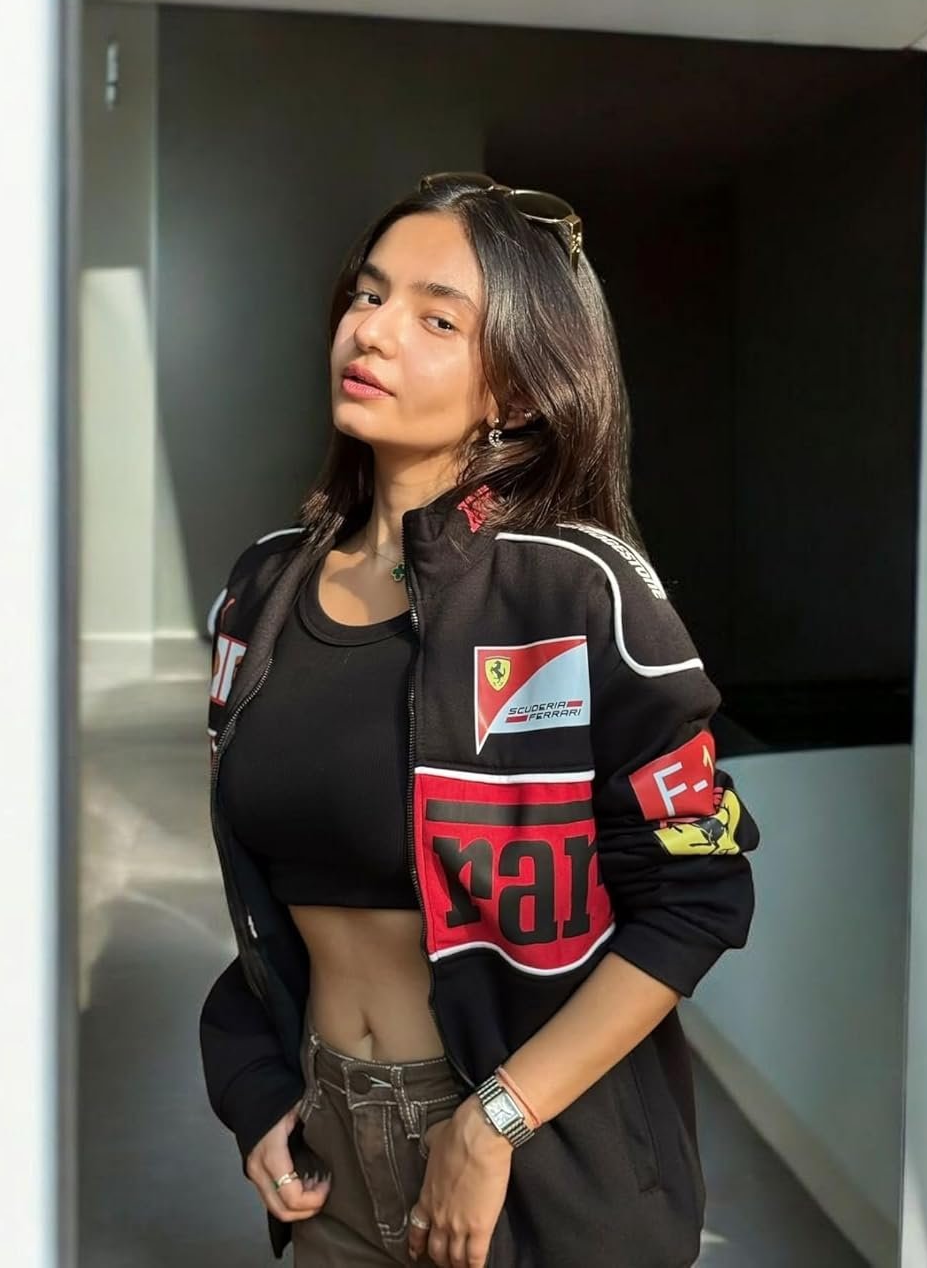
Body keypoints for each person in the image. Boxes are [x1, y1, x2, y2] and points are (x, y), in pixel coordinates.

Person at [199, 170, 760, 1268]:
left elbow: (698, 894)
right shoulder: (259, 593)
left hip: (532, 1157)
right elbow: (265, 895)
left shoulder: (576, 592)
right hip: (328, 1160)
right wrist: (258, 1087)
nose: (372, 331)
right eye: (368, 296)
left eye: (437, 318)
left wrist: (497, 1118)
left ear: (515, 392)